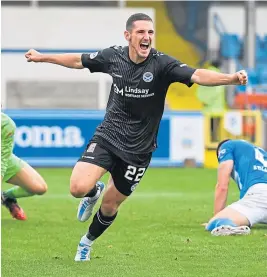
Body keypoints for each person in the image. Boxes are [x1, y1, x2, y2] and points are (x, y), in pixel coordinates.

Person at [25, 13, 248, 261]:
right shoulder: (114, 57)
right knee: (78, 188)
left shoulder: (162, 64)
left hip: (139, 151)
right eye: (141, 32)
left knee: (110, 207)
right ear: (128, 35)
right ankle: (92, 193)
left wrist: (230, 79)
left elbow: (197, 75)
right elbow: (78, 60)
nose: (147, 37)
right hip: (109, 136)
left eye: (150, 32)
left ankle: (86, 243)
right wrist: (42, 57)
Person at [205, 139, 267, 236]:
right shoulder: (260, 152)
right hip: (261, 197)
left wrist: (217, 216)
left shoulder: (226, 146)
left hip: (259, 195)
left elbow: (222, 186)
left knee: (215, 223)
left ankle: (230, 227)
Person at [1, 112, 48, 220]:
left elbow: (3, 158)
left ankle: (6, 197)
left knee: (39, 188)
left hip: (3, 158)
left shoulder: (6, 125)